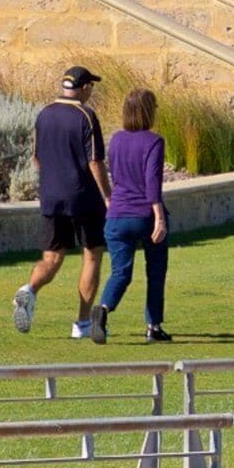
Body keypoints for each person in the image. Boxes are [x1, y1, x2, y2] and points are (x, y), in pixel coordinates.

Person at [13, 65, 109, 338]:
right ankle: (82, 323)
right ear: (86, 88)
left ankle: (28, 289)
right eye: (91, 87)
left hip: (51, 196)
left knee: (52, 257)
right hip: (84, 198)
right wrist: (108, 196)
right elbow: (94, 161)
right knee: (92, 255)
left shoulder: (44, 114)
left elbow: (36, 158)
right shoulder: (86, 116)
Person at [94, 87, 173, 343]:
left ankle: (103, 309)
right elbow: (152, 182)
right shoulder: (154, 142)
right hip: (145, 214)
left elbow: (114, 175)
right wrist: (159, 217)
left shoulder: (116, 140)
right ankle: (153, 325)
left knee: (120, 272)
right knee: (156, 270)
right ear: (149, 112)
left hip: (117, 215)